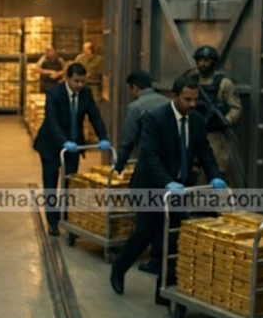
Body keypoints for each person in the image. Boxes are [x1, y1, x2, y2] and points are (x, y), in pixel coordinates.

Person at [110, 76, 226, 305]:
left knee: (174, 237)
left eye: (195, 99)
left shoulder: (196, 121)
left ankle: (164, 290)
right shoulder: (155, 119)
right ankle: (119, 268)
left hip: (179, 189)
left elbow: (204, 151)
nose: (192, 104)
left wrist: (215, 175)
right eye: (187, 99)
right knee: (145, 233)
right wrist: (166, 182)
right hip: (151, 186)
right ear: (174, 97)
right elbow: (150, 156)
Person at [33, 62, 110, 236]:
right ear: (67, 78)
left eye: (83, 81)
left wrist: (103, 137)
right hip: (51, 145)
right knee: (51, 184)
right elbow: (52, 121)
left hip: (74, 145)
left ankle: (68, 218)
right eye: (76, 81)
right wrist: (64, 142)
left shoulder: (86, 93)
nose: (80, 85)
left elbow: (95, 117)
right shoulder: (54, 94)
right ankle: (53, 222)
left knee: (70, 183)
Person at [112, 70, 171, 274]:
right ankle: (157, 260)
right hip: (169, 172)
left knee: (144, 221)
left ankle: (121, 266)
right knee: (164, 219)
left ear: (135, 88)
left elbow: (127, 140)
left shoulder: (136, 107)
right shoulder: (168, 103)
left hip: (147, 170)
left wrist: (119, 165)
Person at [187, 45, 242, 186]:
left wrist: (225, 120)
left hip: (214, 136)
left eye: (206, 60)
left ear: (213, 62)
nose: (202, 64)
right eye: (199, 60)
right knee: (190, 171)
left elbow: (236, 108)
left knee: (216, 171)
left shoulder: (224, 83)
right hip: (192, 133)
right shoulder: (191, 81)